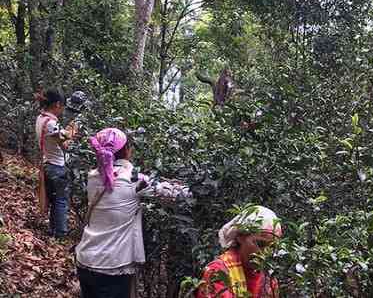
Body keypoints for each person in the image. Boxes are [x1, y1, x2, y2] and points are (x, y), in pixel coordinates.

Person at [75, 128, 189, 298]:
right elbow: (177, 195)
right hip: (112, 267)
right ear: (127, 150)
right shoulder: (133, 179)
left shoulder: (92, 176)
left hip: (85, 260)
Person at [196, 206, 282, 298]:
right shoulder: (218, 271)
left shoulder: (269, 278)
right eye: (260, 244)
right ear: (240, 237)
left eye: (272, 246)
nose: (265, 252)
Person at [34, 88, 77, 238]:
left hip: (47, 162)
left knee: (53, 199)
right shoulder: (52, 123)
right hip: (56, 166)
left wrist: (67, 132)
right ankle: (60, 234)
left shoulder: (41, 118)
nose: (63, 109)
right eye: (63, 106)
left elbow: (57, 138)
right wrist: (73, 130)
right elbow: (65, 145)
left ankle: (53, 230)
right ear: (58, 104)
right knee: (60, 200)